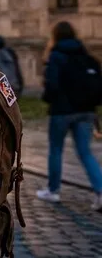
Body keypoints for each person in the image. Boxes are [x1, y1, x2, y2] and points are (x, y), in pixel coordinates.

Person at [36, 21, 102, 211]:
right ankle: (100, 190)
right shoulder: (88, 57)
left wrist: (49, 98)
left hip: (62, 111)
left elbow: (52, 85)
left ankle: (53, 190)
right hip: (86, 111)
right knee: (85, 152)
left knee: (56, 150)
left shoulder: (56, 56)